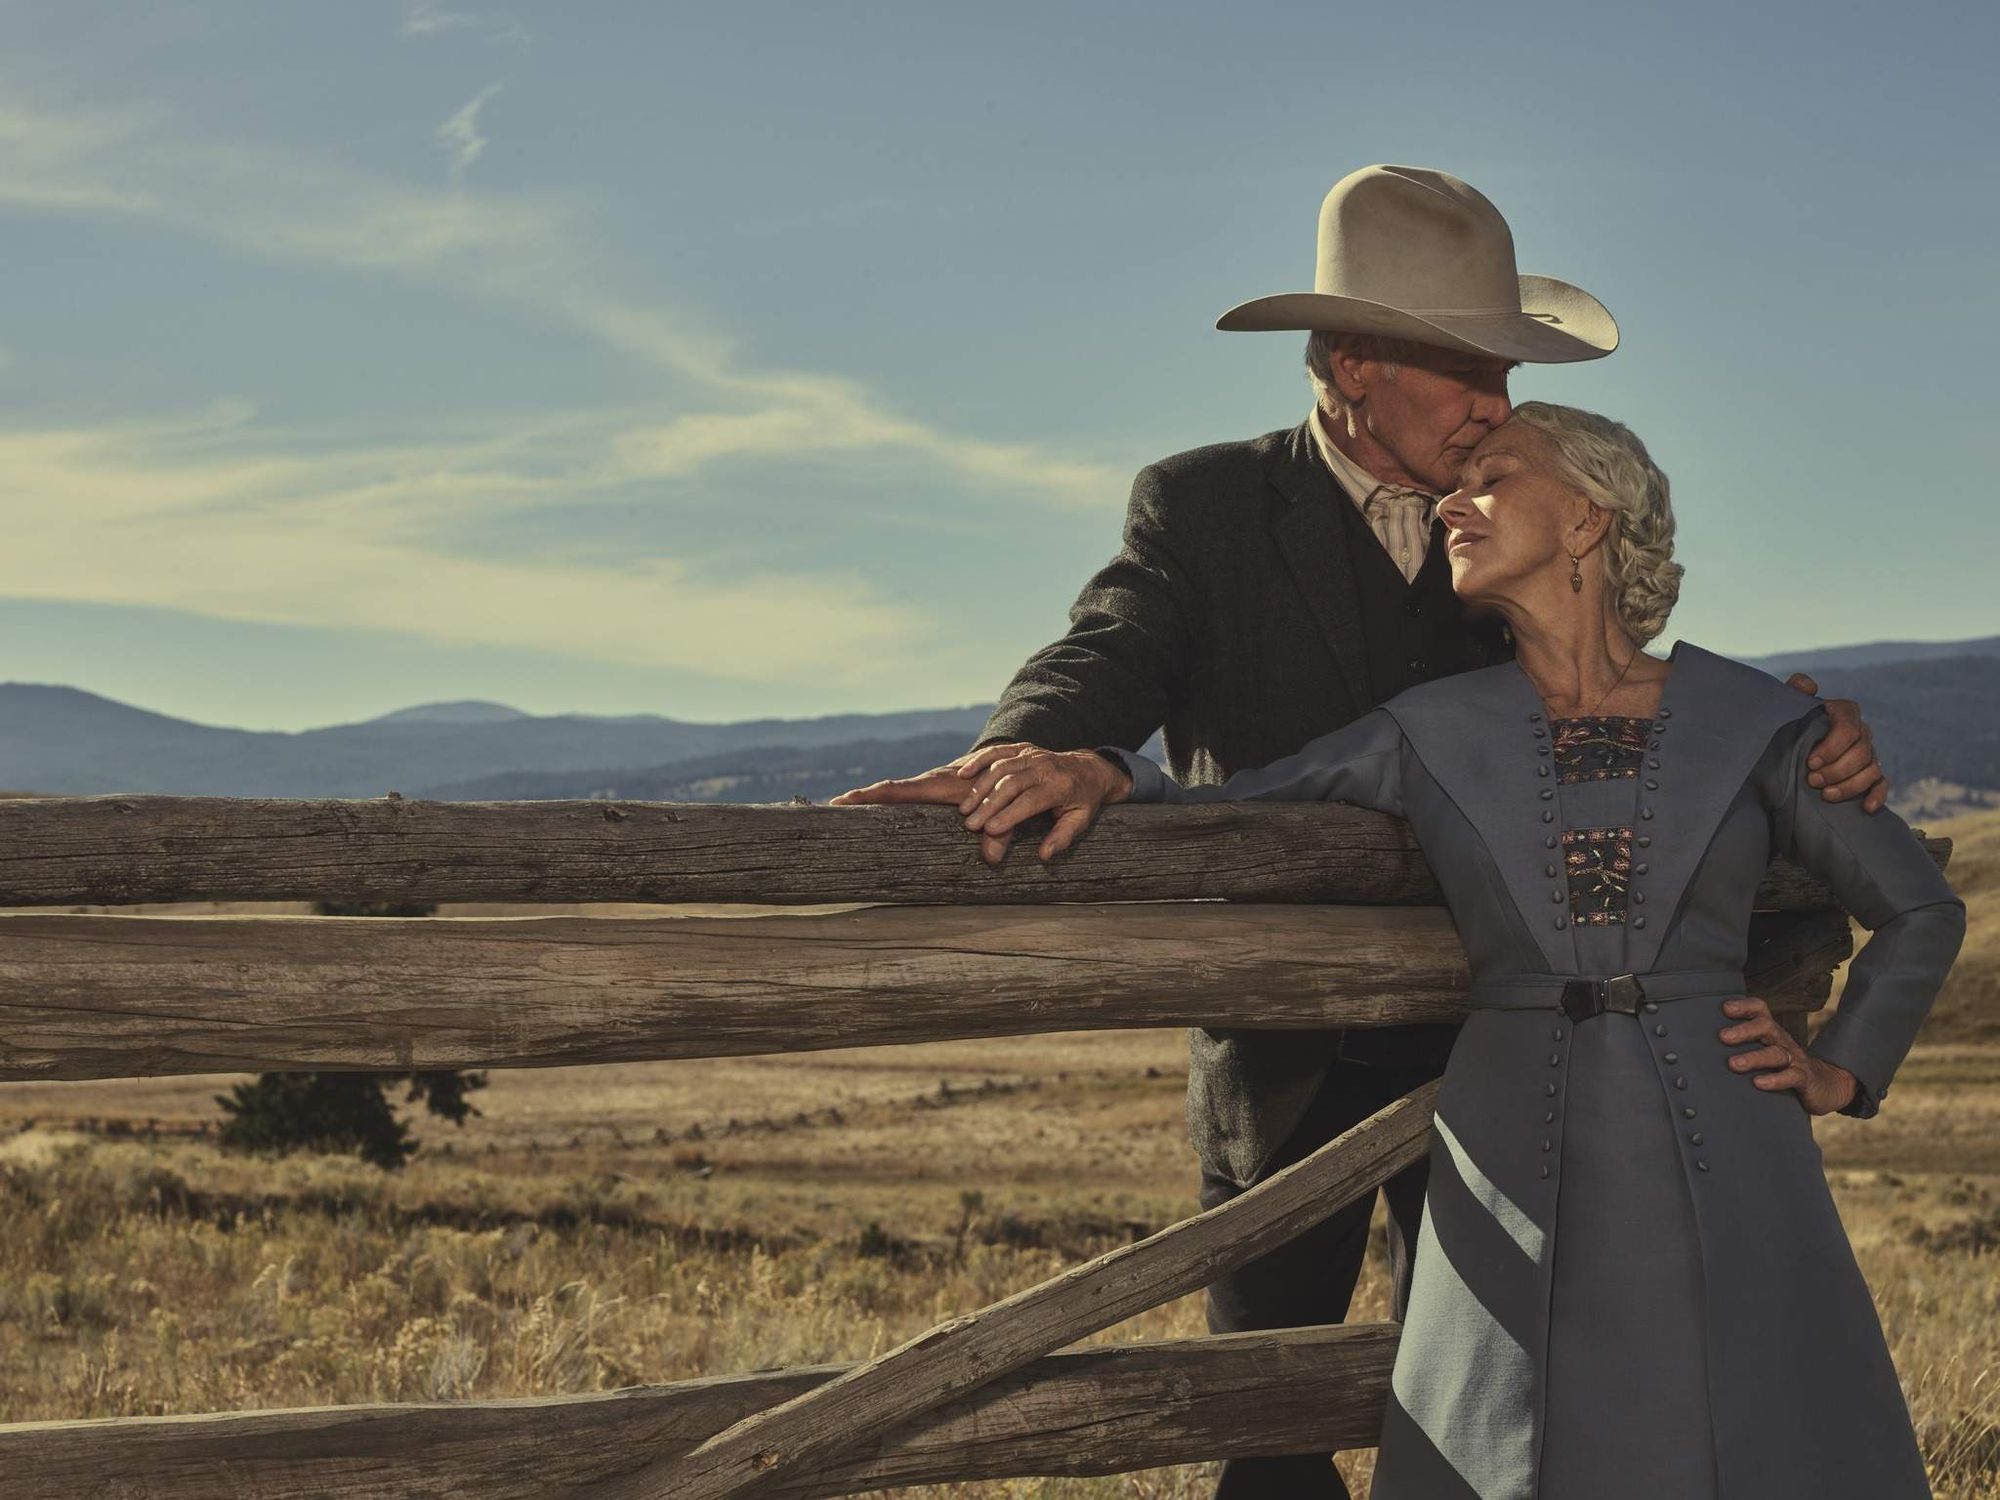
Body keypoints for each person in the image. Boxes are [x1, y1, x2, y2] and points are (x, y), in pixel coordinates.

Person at [831, 165, 1890, 1498]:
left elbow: (1612, 692)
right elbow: (1115, 643)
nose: (1497, 405)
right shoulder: (1206, 508)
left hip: (1505, 1057)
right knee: (1268, 1424)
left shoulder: (1516, 512)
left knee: (1516, 1408)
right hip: (1284, 1059)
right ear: (1347, 364)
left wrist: (1783, 739)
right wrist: (1035, 743)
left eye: (1502, 373)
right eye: (1464, 372)